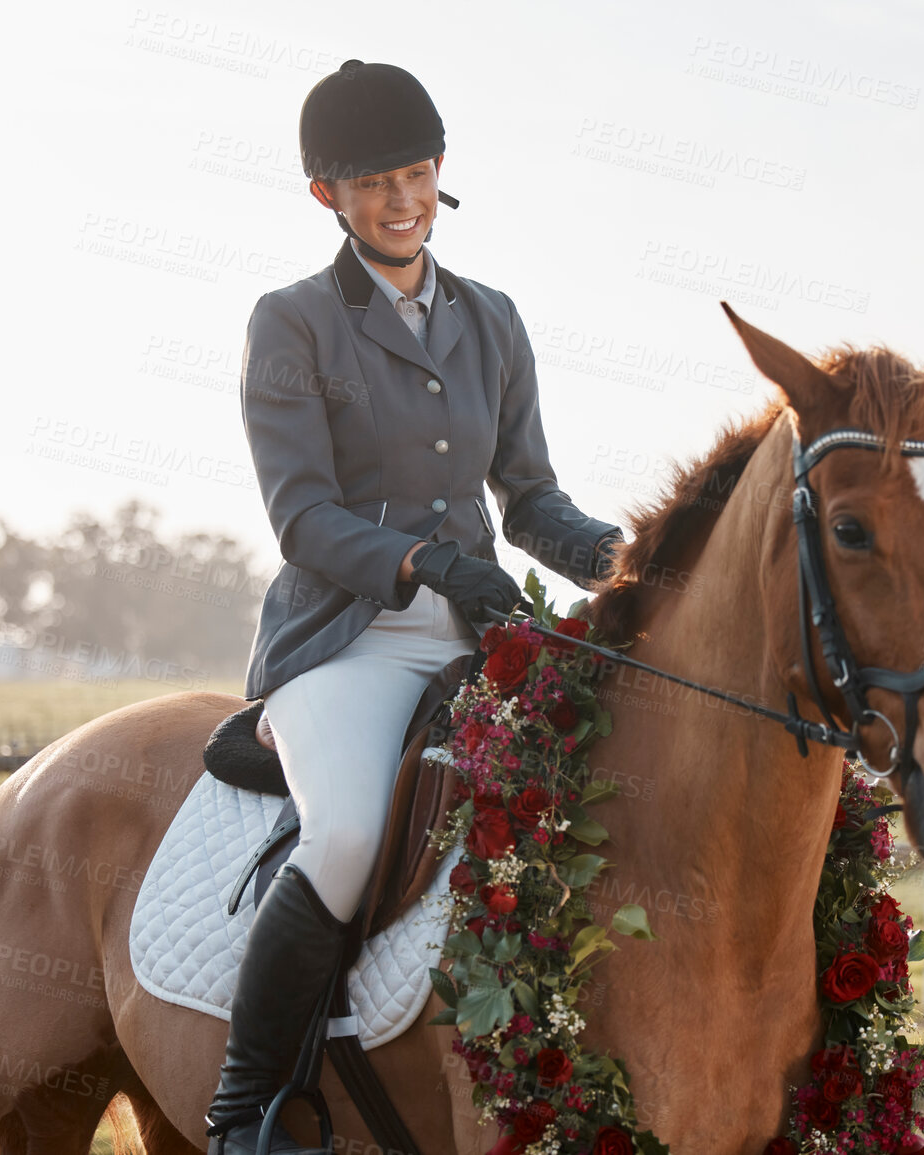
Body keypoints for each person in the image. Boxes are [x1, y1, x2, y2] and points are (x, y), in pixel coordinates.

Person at [204, 59, 625, 1155]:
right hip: (344, 644)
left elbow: (528, 497)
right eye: (376, 182)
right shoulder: (291, 322)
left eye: (418, 174)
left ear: (442, 174)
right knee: (344, 835)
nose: (402, 200)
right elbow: (301, 517)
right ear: (328, 197)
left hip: (484, 640)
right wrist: (426, 567)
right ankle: (245, 1111)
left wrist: (613, 554)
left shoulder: (492, 320)